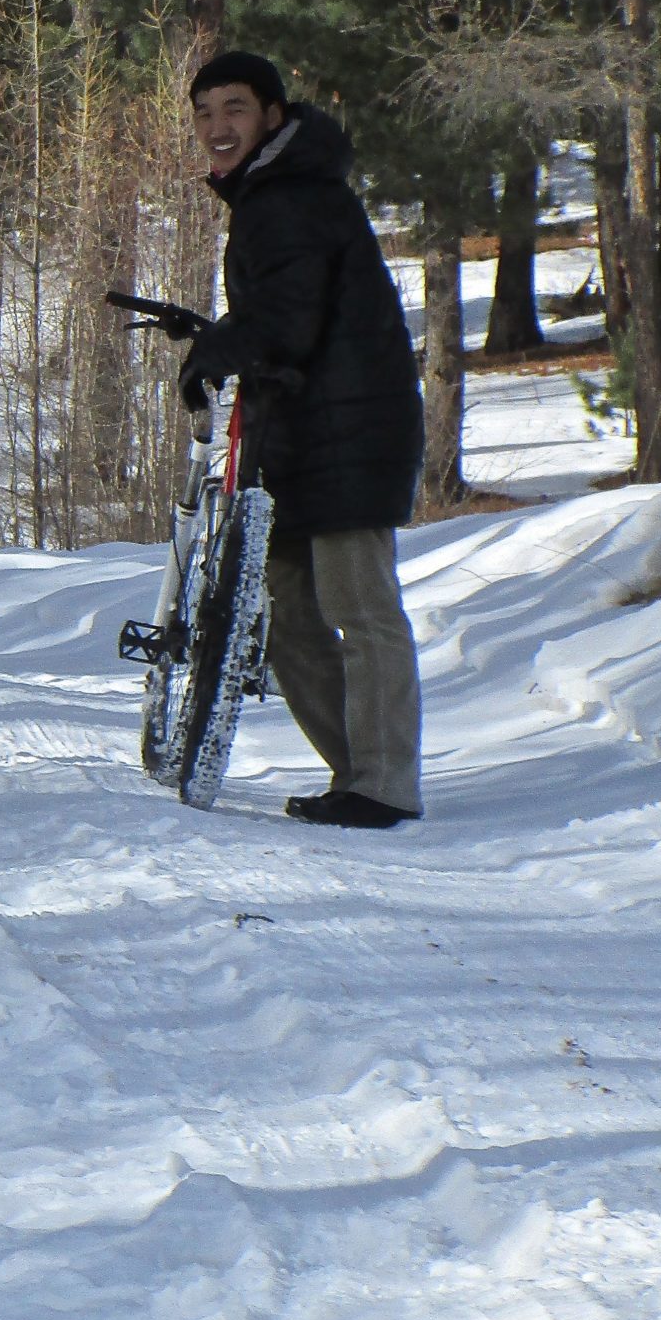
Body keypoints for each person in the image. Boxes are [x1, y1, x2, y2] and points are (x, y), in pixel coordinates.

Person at [173, 51, 426, 828]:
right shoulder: (272, 194)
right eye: (206, 112)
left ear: (273, 117)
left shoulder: (289, 197)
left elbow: (287, 320)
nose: (219, 127)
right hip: (306, 429)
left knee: (358, 603)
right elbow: (287, 310)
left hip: (349, 428)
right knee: (288, 608)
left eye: (236, 109)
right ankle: (357, 773)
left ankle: (384, 782)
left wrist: (216, 351)